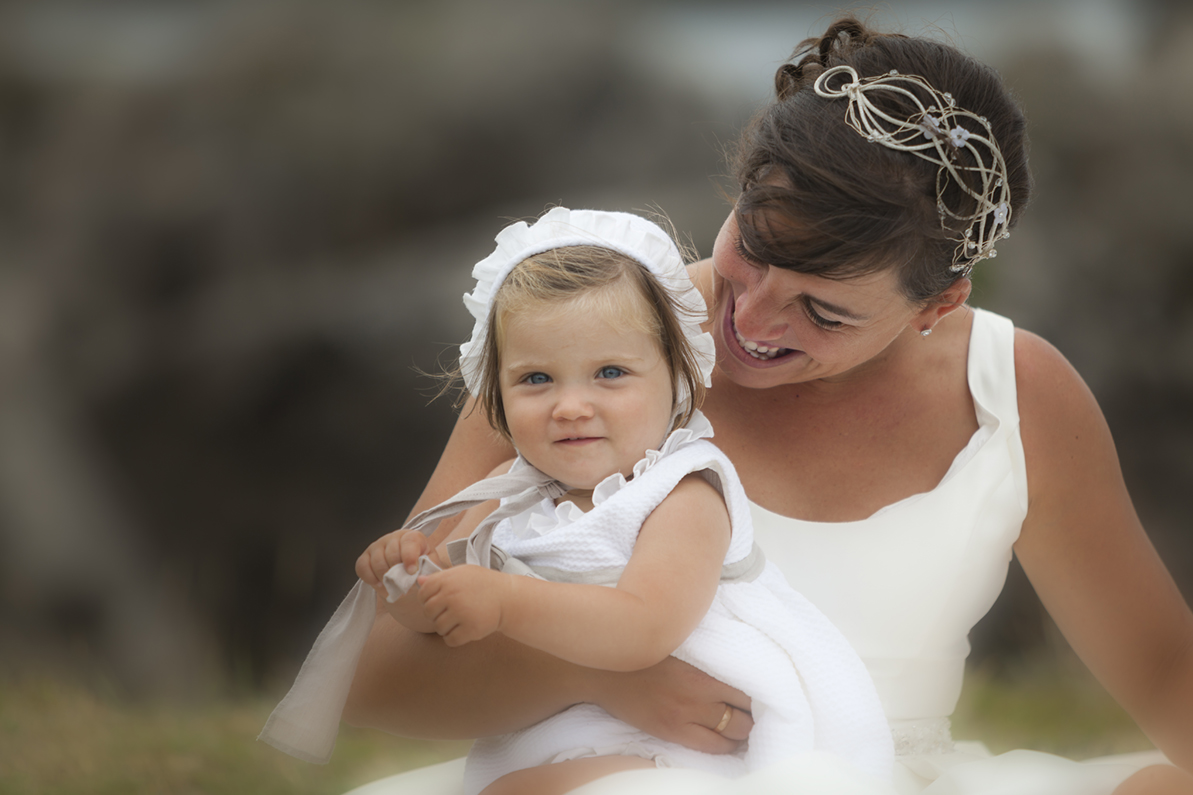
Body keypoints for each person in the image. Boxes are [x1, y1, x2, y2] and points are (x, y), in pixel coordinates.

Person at [340, 16, 1193, 795]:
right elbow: (378, 678)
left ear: (935, 305)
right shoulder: (587, 363)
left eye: (823, 311)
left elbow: (1162, 669)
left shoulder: (1014, 393)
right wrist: (604, 674)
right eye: (750, 250)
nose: (745, 321)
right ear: (739, 193)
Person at [261, 207, 894, 794]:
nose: (570, 406)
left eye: (610, 373)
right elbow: (457, 625)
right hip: (579, 729)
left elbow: (646, 626)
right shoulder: (518, 499)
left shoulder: (683, 490)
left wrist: (506, 600)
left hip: (706, 739)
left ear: (677, 379)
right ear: (498, 395)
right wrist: (414, 586)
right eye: (536, 379)